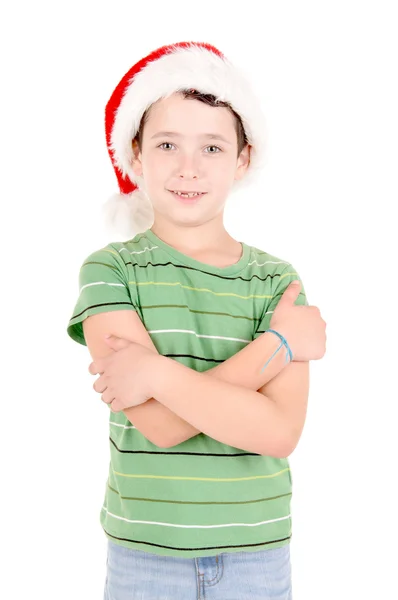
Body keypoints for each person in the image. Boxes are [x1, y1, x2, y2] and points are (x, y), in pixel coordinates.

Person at [67, 41, 326, 600]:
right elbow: (159, 427)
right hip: (145, 557)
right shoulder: (111, 270)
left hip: (256, 554)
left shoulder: (276, 280)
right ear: (136, 155)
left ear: (242, 159)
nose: (189, 168)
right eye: (167, 145)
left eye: (212, 146)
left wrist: (158, 374)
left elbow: (279, 432)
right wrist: (278, 344)